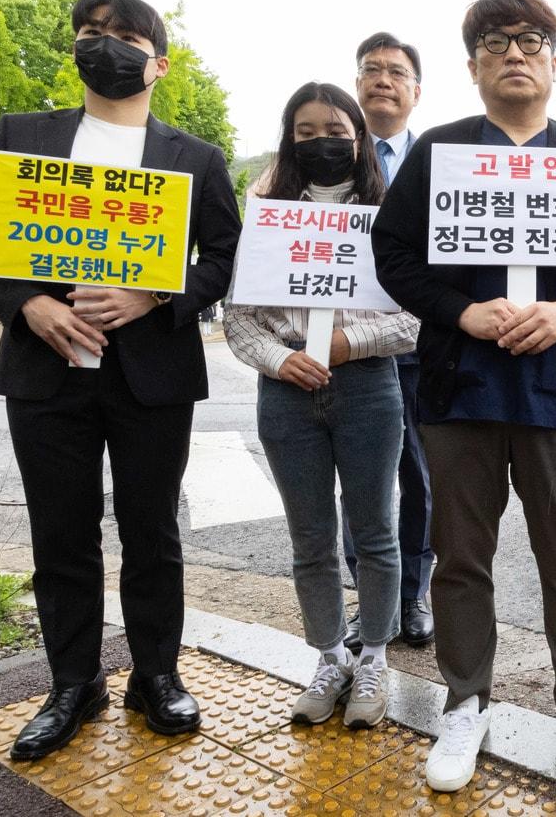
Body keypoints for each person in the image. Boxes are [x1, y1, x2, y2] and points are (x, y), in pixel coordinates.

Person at [0, 0, 241, 759]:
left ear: (160, 62)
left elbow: (222, 256)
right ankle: (73, 683)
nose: (104, 44)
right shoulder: (22, 136)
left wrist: (155, 294)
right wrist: (28, 305)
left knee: (153, 534)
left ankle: (156, 676)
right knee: (61, 536)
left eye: (123, 36)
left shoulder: (196, 158)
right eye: (91, 33)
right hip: (46, 373)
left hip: (152, 376)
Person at [373, 0, 556, 791]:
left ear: (555, 62)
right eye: (497, 43)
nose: (515, 54)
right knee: (461, 557)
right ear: (472, 66)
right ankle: (465, 701)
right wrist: (463, 311)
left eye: (532, 41)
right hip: (459, 388)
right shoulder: (441, 155)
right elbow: (395, 255)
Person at [224, 83, 417, 729]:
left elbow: (415, 317)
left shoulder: (390, 210)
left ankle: (374, 658)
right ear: (288, 139)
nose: (320, 141)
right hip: (285, 395)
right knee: (310, 540)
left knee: (375, 534)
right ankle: (330, 656)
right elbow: (239, 319)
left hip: (368, 390)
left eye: (333, 127)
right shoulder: (267, 215)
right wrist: (282, 359)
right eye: (304, 131)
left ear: (358, 135)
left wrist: (344, 342)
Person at [336, 31, 435, 651]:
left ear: (415, 90)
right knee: (362, 481)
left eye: (396, 71)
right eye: (370, 69)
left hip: (424, 347)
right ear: (356, 84)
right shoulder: (327, 160)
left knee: (423, 478)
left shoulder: (443, 159)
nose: (382, 79)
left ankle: (414, 595)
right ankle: (367, 600)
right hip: (349, 347)